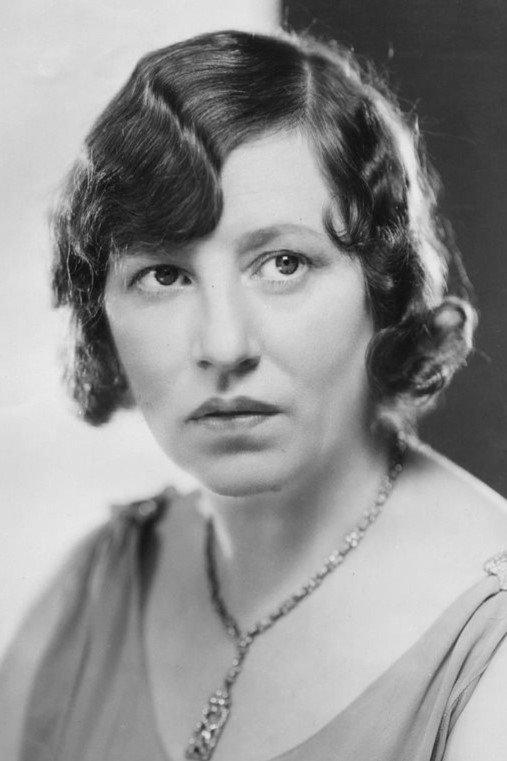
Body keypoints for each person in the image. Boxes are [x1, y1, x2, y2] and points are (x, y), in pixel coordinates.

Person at [1, 28, 507, 761]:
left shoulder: (489, 642)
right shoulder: (95, 587)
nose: (224, 343)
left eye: (283, 263)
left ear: (382, 289)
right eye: (164, 275)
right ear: (101, 315)